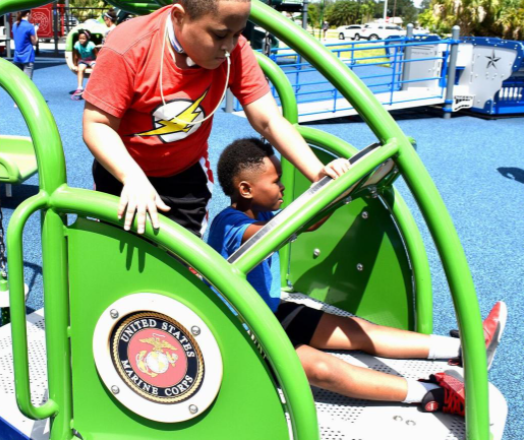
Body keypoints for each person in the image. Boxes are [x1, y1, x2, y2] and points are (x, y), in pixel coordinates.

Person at [207, 137, 508, 416]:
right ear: (246, 189)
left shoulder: (261, 213)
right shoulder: (230, 224)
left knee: (357, 330)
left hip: (269, 312)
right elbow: (289, 230)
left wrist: (338, 188)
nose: (283, 187)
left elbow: (308, 220)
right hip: (242, 331)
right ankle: (429, 392)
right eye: (275, 182)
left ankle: (464, 349)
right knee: (322, 368)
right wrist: (334, 188)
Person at [82, 0, 349, 238]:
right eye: (220, 34)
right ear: (179, 16)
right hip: (123, 171)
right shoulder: (129, 46)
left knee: (183, 266)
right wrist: (132, 177)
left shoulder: (234, 51)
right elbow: (97, 124)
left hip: (185, 177)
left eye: (237, 34)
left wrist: (318, 173)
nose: (229, 46)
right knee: (115, 256)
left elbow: (269, 120)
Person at [70, 29, 97, 101]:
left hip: (92, 60)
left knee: (95, 69)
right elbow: (75, 54)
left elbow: (96, 54)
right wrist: (76, 64)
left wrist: (97, 62)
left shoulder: (91, 44)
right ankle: (80, 87)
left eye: (83, 38)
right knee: (80, 69)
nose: (81, 40)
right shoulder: (77, 44)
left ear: (87, 39)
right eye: (80, 38)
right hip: (83, 60)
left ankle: (93, 87)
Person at [12, 10, 38, 80]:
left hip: (17, 57)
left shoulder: (15, 25)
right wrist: (35, 30)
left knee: (18, 81)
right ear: (27, 14)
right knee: (27, 83)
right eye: (31, 14)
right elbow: (34, 42)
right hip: (28, 57)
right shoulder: (29, 26)